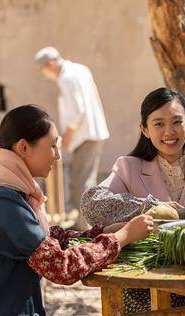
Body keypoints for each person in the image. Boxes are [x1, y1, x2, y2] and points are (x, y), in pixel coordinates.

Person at [0, 105, 153, 316]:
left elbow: (47, 240)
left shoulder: (10, 193)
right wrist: (122, 237)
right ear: (23, 148)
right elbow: (61, 267)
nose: (57, 156)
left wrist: (102, 233)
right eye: (52, 146)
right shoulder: (3, 203)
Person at [81, 87, 185, 313]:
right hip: (144, 282)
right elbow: (92, 204)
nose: (169, 132)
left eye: (177, 122)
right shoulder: (128, 166)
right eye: (158, 124)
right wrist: (149, 207)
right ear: (144, 129)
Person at [35, 46, 110, 229]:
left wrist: (66, 137)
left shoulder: (66, 77)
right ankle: (85, 221)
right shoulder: (80, 69)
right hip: (92, 132)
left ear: (51, 64)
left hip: (84, 135)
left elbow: (78, 111)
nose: (45, 74)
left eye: (44, 69)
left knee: (81, 182)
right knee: (84, 180)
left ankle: (87, 225)